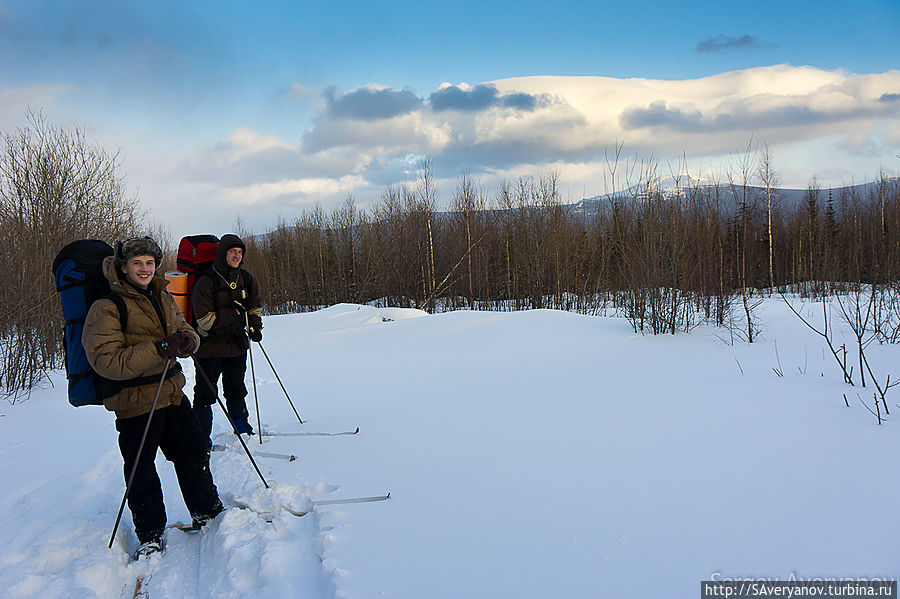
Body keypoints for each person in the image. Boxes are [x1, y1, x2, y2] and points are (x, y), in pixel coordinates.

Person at [83, 236, 223, 559]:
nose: (145, 269)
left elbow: (184, 327)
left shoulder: (161, 295)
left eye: (149, 262)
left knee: (194, 451)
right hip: (135, 404)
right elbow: (107, 361)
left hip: (172, 395)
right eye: (137, 263)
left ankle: (209, 512)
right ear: (123, 267)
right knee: (141, 472)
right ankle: (149, 534)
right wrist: (160, 348)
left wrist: (188, 341)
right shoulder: (107, 307)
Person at [191, 233, 263, 439]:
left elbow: (255, 307)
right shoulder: (206, 281)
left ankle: (242, 428)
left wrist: (255, 327)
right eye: (233, 252)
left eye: (240, 252)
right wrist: (237, 313)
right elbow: (205, 320)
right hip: (208, 348)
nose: (237, 256)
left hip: (236, 345)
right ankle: (201, 437)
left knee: (236, 389)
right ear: (223, 253)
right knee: (205, 395)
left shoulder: (246, 278)